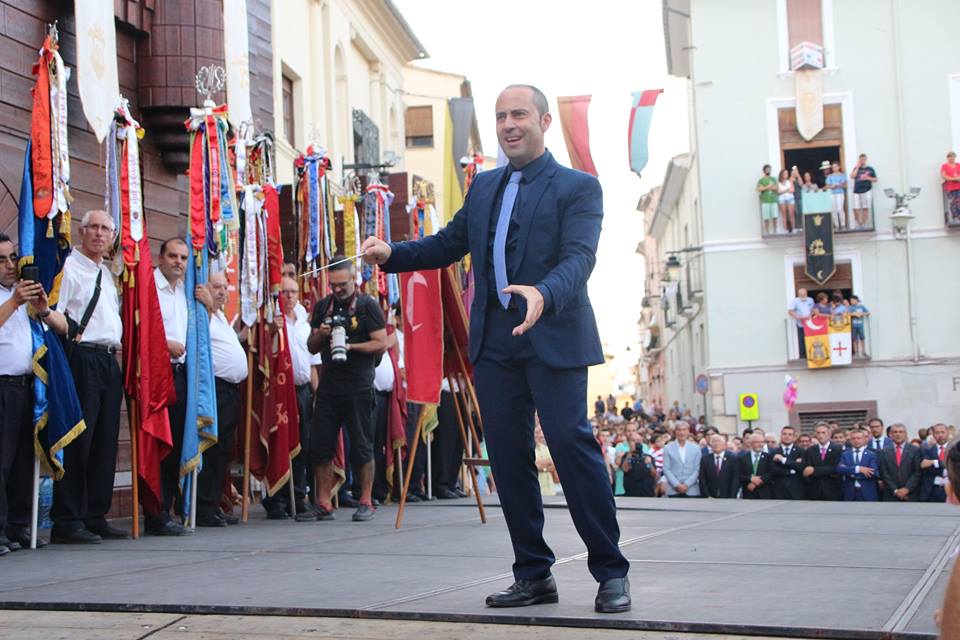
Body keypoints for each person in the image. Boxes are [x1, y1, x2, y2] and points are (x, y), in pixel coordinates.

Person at [360, 84, 631, 613]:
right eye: (501, 116)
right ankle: (533, 574)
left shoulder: (579, 188)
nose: (509, 124)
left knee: (571, 448)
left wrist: (543, 293)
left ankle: (611, 572)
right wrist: (392, 253)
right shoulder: (483, 188)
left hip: (553, 333)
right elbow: (446, 244)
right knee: (508, 460)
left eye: (520, 115)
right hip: (495, 343)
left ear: (545, 122)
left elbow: (579, 259)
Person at [45, 211, 125, 543]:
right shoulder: (68, 266)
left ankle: (95, 513)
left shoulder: (107, 274)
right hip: (82, 357)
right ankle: (68, 518)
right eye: (93, 227)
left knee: (105, 441)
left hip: (108, 360)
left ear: (111, 237)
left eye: (105, 229)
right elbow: (53, 312)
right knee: (80, 438)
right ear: (81, 231)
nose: (99, 233)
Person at [307, 259, 387, 522]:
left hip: (359, 385)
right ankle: (323, 501)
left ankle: (365, 500)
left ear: (354, 280)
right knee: (321, 445)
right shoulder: (323, 306)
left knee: (362, 446)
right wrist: (321, 334)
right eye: (334, 285)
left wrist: (351, 347)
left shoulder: (367, 306)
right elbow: (311, 346)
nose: (338, 289)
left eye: (343, 284)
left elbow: (381, 343)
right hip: (330, 386)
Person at [0, 234, 51, 552]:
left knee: (22, 460)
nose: (10, 265)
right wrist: (14, 302)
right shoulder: (11, 300)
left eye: (12, 258)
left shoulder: (19, 296)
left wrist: (41, 308)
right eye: (1, 260)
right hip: (2, 385)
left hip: (26, 387)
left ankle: (18, 525)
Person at [263, 276, 318, 521]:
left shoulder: (305, 323)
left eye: (293, 291)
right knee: (280, 443)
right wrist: (271, 332)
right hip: (279, 392)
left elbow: (314, 364)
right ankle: (276, 498)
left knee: (302, 445)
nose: (289, 296)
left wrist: (317, 394)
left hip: (303, 390)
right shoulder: (272, 321)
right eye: (284, 291)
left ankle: (297, 494)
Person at [194, 272, 246, 527]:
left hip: (230, 390)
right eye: (216, 287)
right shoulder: (202, 314)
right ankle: (203, 506)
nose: (222, 292)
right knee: (212, 448)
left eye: (225, 287)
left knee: (224, 449)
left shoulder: (221, 317)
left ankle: (214, 503)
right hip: (213, 388)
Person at [150, 238, 193, 535]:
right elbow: (137, 329)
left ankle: (170, 507)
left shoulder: (185, 292)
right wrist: (164, 345)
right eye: (173, 256)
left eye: (183, 257)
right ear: (161, 258)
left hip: (180, 373)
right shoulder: (149, 288)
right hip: (156, 372)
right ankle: (156, 511)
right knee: (158, 443)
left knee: (176, 441)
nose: (178, 262)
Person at [878, 424, 920, 502]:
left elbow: (917, 472)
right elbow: (884, 473)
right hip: (891, 495)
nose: (898, 434)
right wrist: (895, 491)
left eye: (901, 432)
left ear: (905, 434)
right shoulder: (884, 451)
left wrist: (907, 489)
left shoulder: (915, 450)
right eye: (895, 432)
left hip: (911, 494)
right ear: (890, 435)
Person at [802, 423, 844, 501]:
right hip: (815, 490)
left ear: (829, 434)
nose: (821, 435)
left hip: (833, 489)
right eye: (818, 433)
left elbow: (836, 468)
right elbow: (807, 469)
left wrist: (815, 470)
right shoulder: (810, 450)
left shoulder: (838, 449)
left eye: (823, 432)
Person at [837, 429, 879, 501]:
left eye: (859, 438)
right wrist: (858, 469)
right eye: (853, 438)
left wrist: (850, 472)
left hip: (867, 493)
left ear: (864, 439)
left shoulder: (872, 454)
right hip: (850, 492)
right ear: (850, 440)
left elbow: (872, 472)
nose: (856, 441)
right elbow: (839, 469)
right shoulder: (845, 454)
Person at [662, 423, 701, 498]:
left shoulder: (696, 448)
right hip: (673, 490)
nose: (681, 432)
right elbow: (666, 469)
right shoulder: (667, 448)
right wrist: (676, 484)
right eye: (679, 430)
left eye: (684, 430)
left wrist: (687, 484)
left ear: (688, 432)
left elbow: (698, 469)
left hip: (692, 490)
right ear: (675, 432)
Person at [770, 426, 806, 500]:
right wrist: (791, 470)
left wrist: (783, 460)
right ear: (781, 435)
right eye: (784, 434)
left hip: (797, 490)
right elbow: (773, 470)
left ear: (794, 437)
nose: (787, 436)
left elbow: (801, 467)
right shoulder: (774, 452)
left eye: (790, 434)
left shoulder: (801, 451)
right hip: (779, 491)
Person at [699, 435, 739, 499]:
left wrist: (732, 496)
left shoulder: (732, 458)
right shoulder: (705, 459)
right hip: (710, 497)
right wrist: (707, 495)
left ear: (724, 444)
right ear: (711, 445)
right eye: (714, 442)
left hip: (728, 497)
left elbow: (735, 479)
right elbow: (702, 479)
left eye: (718, 441)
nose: (716, 444)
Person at [620, 429, 656, 498]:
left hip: (647, 493)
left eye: (639, 441)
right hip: (631, 494)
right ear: (629, 443)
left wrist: (650, 464)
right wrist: (630, 452)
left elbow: (654, 475)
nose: (636, 443)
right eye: (633, 441)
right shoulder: (626, 456)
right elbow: (625, 469)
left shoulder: (648, 457)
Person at [920, 423, 951, 502]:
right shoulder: (926, 450)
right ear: (933, 434)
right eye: (937, 433)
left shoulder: (955, 448)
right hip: (932, 491)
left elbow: (954, 464)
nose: (940, 435)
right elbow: (926, 467)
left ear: (948, 433)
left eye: (942, 432)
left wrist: (934, 462)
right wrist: (945, 471)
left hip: (952, 490)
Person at [740, 433, 772, 499]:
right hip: (748, 494)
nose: (760, 444)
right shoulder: (742, 458)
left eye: (762, 442)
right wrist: (750, 479)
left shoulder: (768, 457)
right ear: (751, 443)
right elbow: (738, 475)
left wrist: (756, 482)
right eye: (757, 442)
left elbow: (771, 473)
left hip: (765, 494)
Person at [849, 154, 877, 230]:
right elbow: (852, 176)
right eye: (861, 159)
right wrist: (857, 167)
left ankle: (864, 223)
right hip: (856, 190)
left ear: (866, 159)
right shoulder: (856, 168)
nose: (862, 161)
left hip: (867, 190)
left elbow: (875, 179)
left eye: (863, 159)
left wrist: (867, 178)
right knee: (856, 208)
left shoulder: (870, 169)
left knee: (865, 207)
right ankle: (859, 223)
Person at [787, 288, 814, 359]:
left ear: (806, 293)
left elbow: (813, 310)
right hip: (801, 324)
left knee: (810, 338)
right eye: (801, 295)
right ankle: (803, 356)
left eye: (804, 294)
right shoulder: (795, 301)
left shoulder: (810, 300)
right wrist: (798, 316)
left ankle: (810, 354)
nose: (803, 296)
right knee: (802, 340)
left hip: (810, 324)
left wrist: (811, 314)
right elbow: (790, 311)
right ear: (798, 295)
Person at [534, 425, 557, 497]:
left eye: (541, 432)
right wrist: (548, 464)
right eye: (537, 432)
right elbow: (533, 465)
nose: (540, 435)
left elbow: (554, 464)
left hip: (551, 491)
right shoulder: (528, 449)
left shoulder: (545, 448)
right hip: (538, 492)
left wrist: (542, 469)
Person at [757, 164, 779, 235]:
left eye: (769, 169)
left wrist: (765, 188)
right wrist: (769, 186)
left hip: (773, 200)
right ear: (764, 171)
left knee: (774, 216)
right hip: (765, 201)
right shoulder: (761, 180)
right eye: (767, 169)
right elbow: (759, 189)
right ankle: (767, 231)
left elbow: (776, 188)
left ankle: (775, 230)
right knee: (766, 217)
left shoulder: (773, 179)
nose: (768, 170)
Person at [825, 162, 847, 230]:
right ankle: (836, 225)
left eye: (835, 166)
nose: (834, 168)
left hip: (840, 193)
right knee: (834, 210)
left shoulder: (842, 175)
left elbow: (843, 184)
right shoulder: (830, 176)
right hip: (832, 194)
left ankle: (843, 225)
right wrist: (833, 186)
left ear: (838, 167)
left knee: (840, 209)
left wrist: (835, 185)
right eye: (833, 167)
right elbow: (828, 185)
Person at [941, 151, 960, 224]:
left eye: (953, 156)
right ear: (947, 158)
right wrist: (954, 179)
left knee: (959, 201)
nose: (951, 158)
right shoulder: (944, 166)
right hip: (950, 187)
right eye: (950, 156)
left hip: (958, 187)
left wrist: (956, 178)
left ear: (955, 157)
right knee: (953, 202)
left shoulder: (958, 165)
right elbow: (944, 176)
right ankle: (955, 217)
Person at [777, 169, 796, 234]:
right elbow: (778, 192)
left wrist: (784, 191)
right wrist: (787, 190)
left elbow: (792, 190)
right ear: (782, 174)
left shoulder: (789, 181)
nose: (786, 175)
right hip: (782, 199)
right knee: (784, 215)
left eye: (787, 173)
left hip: (790, 198)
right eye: (785, 173)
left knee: (791, 214)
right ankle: (785, 229)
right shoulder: (778, 183)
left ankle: (793, 229)